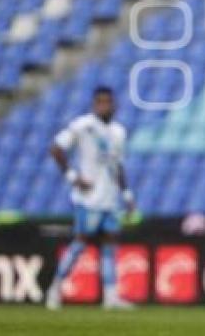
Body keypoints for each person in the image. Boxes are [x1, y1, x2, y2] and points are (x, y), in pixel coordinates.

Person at [45, 87, 134, 310]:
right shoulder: (83, 126)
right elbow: (56, 149)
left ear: (114, 105)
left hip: (110, 199)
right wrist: (73, 176)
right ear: (94, 104)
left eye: (108, 102)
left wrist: (126, 194)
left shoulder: (119, 132)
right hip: (89, 199)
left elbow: (118, 166)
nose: (105, 106)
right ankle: (55, 289)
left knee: (110, 244)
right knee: (81, 242)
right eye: (100, 102)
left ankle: (111, 297)